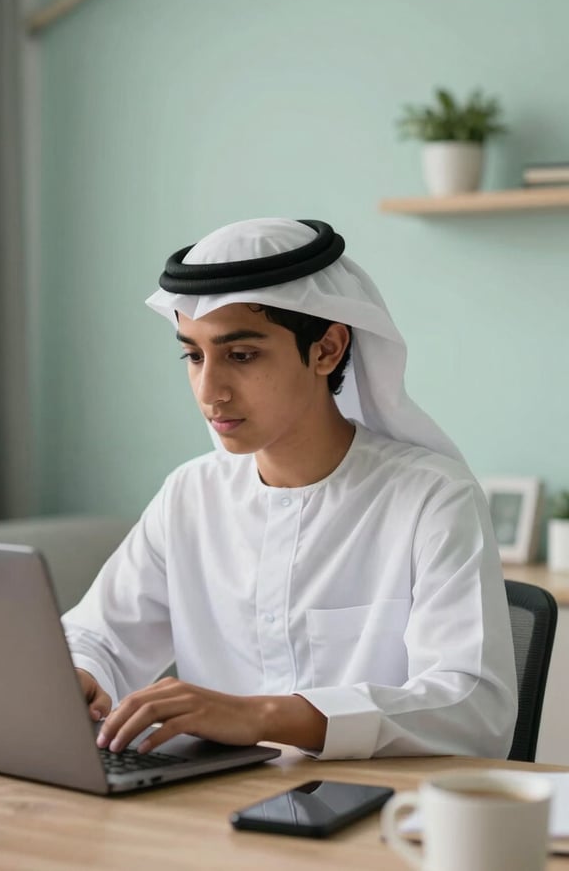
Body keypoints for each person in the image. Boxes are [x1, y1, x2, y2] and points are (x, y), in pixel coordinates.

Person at [62, 217, 517, 760]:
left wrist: (262, 714)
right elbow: (100, 635)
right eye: (193, 355)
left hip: (370, 816)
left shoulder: (432, 498)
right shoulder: (191, 494)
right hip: (202, 815)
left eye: (242, 355)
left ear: (326, 349)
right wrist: (80, 672)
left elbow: (472, 708)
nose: (210, 391)